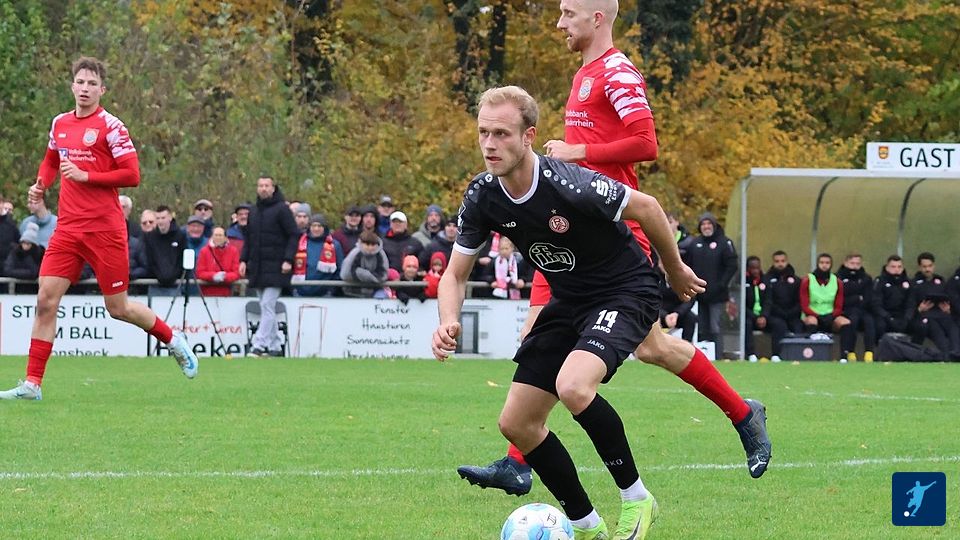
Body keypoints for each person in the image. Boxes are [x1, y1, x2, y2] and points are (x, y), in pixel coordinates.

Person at [457, 0, 771, 500]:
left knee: (650, 347)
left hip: (610, 234)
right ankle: (519, 459)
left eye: (568, 13)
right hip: (566, 234)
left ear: (597, 18)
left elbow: (646, 143)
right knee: (556, 336)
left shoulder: (617, 72)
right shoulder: (584, 73)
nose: (560, 23)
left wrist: (578, 152)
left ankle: (741, 413)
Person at [434, 86, 706, 539]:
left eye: (501, 134)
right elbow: (454, 275)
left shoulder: (568, 182)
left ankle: (637, 499)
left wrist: (674, 269)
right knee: (517, 423)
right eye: (483, 133)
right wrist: (447, 319)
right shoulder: (483, 195)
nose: (489, 144)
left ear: (529, 136)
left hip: (625, 290)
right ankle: (586, 525)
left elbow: (648, 207)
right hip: (570, 299)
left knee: (574, 386)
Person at [0, 57, 197, 401]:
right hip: (68, 230)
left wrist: (86, 176)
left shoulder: (112, 127)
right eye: (80, 82)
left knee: (117, 308)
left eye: (92, 83)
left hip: (105, 231)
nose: (85, 88)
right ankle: (32, 384)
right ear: (72, 86)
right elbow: (51, 160)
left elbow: (132, 175)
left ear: (102, 90)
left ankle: (172, 339)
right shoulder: (60, 123)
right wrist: (40, 185)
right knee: (45, 299)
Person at [239, 175, 299, 357]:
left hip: (277, 267)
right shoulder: (254, 211)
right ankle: (275, 346)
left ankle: (258, 344)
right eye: (260, 185)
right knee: (266, 307)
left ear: (273, 188)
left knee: (267, 304)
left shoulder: (282, 210)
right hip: (258, 267)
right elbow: (249, 239)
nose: (263, 188)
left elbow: (293, 235)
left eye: (267, 185)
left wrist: (288, 259)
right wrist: (243, 260)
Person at [683, 212, 739, 354]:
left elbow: (732, 265)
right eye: (703, 224)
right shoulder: (695, 244)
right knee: (702, 327)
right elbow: (687, 265)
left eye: (709, 223)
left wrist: (722, 284)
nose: (706, 227)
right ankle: (704, 357)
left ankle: (718, 356)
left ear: (714, 225)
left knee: (716, 327)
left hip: (718, 295)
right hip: (699, 294)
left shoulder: (724, 243)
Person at [908, 252, 958, 359]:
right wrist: (919, 309)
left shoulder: (940, 281)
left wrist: (948, 310)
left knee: (953, 328)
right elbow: (910, 305)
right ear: (919, 267)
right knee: (938, 332)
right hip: (926, 316)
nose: (927, 269)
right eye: (924, 266)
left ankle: (957, 353)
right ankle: (947, 356)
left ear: (934, 266)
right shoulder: (914, 283)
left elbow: (948, 298)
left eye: (930, 266)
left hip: (942, 314)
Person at [800, 253, 850, 346]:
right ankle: (810, 349)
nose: (824, 265)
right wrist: (818, 316)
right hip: (812, 315)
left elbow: (839, 306)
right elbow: (804, 306)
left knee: (845, 322)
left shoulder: (837, 281)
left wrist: (831, 316)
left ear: (831, 265)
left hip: (830, 316)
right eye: (822, 262)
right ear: (817, 264)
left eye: (827, 263)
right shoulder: (807, 280)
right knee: (811, 321)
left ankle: (845, 353)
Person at [762, 250, 802, 362]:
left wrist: (792, 312)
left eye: (783, 261)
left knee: (798, 326)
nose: (780, 264)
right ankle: (777, 354)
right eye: (777, 261)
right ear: (773, 262)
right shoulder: (767, 279)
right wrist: (779, 313)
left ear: (787, 261)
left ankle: (798, 354)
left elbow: (799, 301)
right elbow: (767, 300)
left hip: (792, 314)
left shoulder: (796, 280)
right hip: (775, 315)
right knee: (779, 325)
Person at [836, 253, 876, 362]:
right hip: (845, 310)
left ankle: (869, 353)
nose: (855, 266)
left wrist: (855, 298)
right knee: (852, 320)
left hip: (862, 309)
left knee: (869, 321)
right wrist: (857, 297)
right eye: (852, 263)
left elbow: (868, 297)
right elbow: (840, 297)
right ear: (845, 263)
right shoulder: (838, 278)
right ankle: (850, 352)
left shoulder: (866, 278)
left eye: (857, 264)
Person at [293, 213, 344, 297]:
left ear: (324, 228)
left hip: (325, 295)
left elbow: (339, 269)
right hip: (299, 293)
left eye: (319, 226)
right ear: (309, 227)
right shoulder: (299, 243)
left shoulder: (334, 245)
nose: (316, 229)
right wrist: (294, 289)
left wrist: (331, 290)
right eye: (314, 226)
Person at [340, 230, 390, 298]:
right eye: (367, 244)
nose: (370, 247)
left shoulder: (381, 254)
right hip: (352, 292)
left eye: (373, 245)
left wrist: (366, 275)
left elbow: (383, 275)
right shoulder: (355, 253)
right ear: (361, 243)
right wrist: (368, 276)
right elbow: (345, 274)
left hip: (374, 291)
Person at [873, 255, 912, 338]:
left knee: (918, 326)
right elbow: (876, 304)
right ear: (887, 268)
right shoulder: (880, 281)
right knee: (880, 326)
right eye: (893, 267)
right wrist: (888, 317)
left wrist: (907, 318)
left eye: (899, 267)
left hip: (901, 315)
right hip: (884, 315)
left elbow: (911, 303)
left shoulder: (908, 282)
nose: (896, 269)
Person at [195, 226, 241, 297]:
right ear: (212, 237)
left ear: (225, 237)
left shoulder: (233, 251)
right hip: (206, 293)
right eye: (216, 235)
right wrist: (213, 276)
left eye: (220, 235)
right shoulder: (204, 251)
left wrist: (224, 277)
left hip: (227, 293)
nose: (218, 237)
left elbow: (236, 273)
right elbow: (200, 272)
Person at [4, 223, 45, 294]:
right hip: (17, 289)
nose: (25, 245)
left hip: (35, 290)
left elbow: (36, 272)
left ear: (33, 244)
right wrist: (29, 273)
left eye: (28, 243)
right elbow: (8, 270)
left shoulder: (39, 254)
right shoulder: (15, 253)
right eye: (23, 242)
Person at [742, 255, 767, 362]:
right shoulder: (743, 281)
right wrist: (755, 317)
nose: (756, 271)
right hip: (750, 315)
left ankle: (777, 355)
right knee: (746, 324)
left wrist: (764, 316)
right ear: (748, 268)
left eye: (757, 268)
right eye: (753, 268)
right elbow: (742, 304)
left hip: (763, 316)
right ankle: (751, 354)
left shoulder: (765, 280)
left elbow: (768, 301)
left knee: (779, 324)